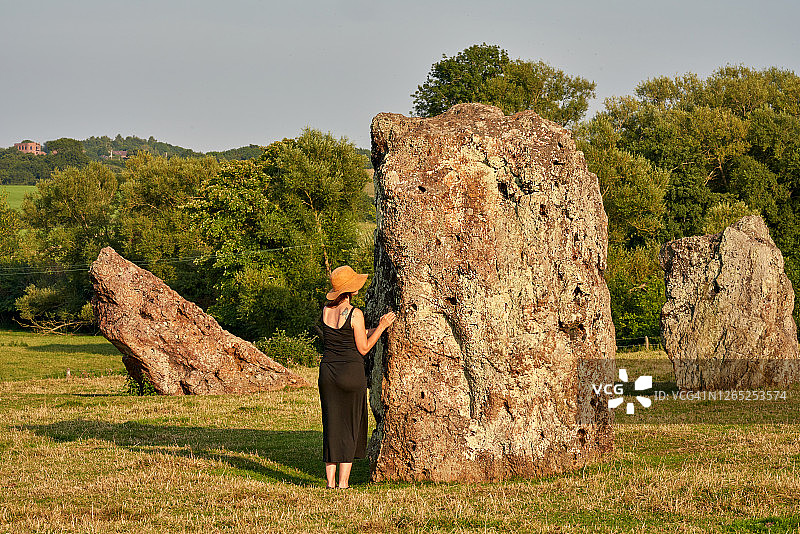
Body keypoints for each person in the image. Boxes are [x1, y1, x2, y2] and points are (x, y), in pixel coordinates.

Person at [318, 265, 396, 489]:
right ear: (350, 290)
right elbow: (363, 347)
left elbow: (345, 336)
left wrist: (370, 329)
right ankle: (343, 483)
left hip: (328, 374)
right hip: (351, 374)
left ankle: (330, 483)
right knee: (350, 425)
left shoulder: (326, 311)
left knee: (332, 425)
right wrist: (382, 326)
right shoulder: (355, 313)